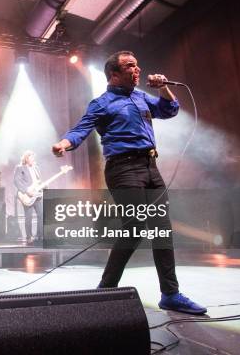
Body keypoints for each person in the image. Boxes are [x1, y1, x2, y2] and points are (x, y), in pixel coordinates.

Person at [52, 51, 206, 315]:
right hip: (123, 169)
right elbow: (81, 129)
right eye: (130, 66)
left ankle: (170, 294)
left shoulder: (141, 97)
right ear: (114, 74)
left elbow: (170, 110)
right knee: (134, 227)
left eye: (137, 65)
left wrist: (165, 87)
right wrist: (64, 144)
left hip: (150, 167)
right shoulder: (101, 103)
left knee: (162, 230)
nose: (137, 70)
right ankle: (106, 288)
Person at [14, 150, 44, 245]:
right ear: (26, 159)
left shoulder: (36, 168)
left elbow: (39, 181)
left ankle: (40, 236)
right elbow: (17, 181)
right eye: (31, 158)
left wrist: (43, 186)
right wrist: (27, 191)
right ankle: (29, 237)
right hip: (28, 195)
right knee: (29, 216)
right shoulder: (20, 168)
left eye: (33, 158)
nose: (33, 159)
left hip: (37, 195)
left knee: (41, 215)